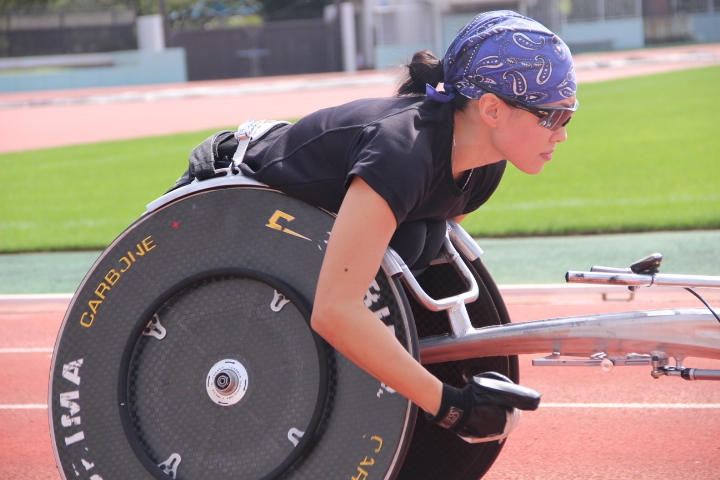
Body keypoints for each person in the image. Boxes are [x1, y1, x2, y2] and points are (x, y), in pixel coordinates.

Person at [176, 10, 576, 442]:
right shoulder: (402, 154)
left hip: (317, 233)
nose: (563, 135)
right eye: (553, 117)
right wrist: (449, 406)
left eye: (569, 117)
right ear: (493, 109)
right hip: (233, 205)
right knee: (408, 242)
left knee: (419, 241)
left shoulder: (484, 168)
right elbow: (335, 309)